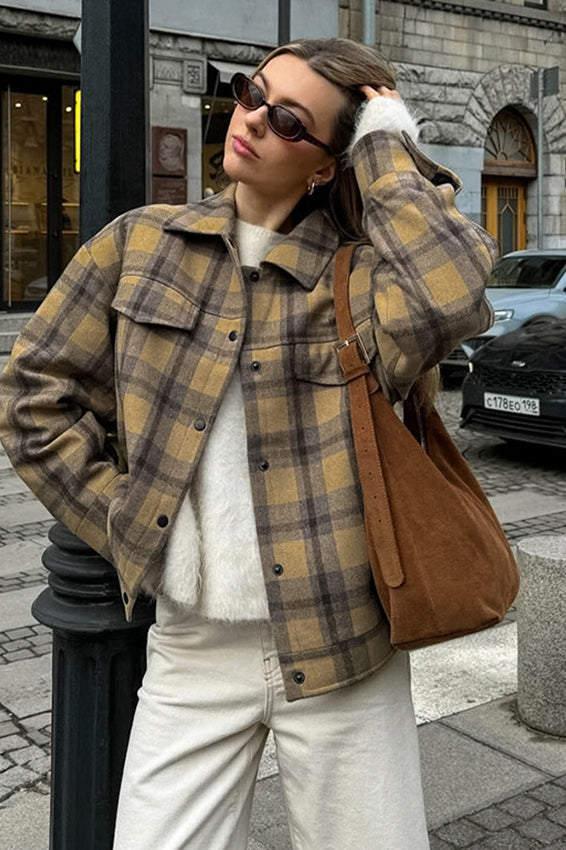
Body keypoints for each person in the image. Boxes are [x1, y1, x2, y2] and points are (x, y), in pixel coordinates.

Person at [0, 37, 497, 850]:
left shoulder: (365, 277)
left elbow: (453, 293)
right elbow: (32, 398)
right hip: (192, 646)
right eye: (252, 93)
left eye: (290, 120)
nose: (255, 119)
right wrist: (125, 518)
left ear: (327, 164)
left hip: (345, 645)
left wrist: (384, 143)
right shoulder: (140, 245)